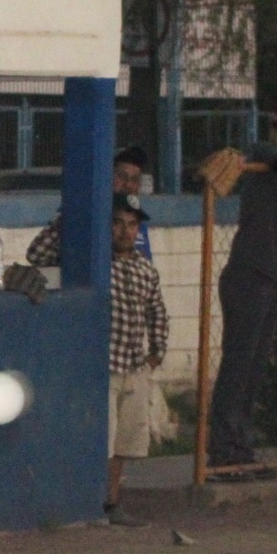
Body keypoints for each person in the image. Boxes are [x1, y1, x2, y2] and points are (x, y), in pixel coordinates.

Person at [204, 148, 277, 475]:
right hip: (249, 274)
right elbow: (258, 150)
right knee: (239, 363)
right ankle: (223, 448)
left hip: (270, 275)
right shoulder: (265, 164)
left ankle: (239, 446)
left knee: (253, 367)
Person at [103, 194, 168, 526]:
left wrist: (156, 352)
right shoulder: (98, 264)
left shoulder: (145, 269)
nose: (125, 231)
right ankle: (95, 502)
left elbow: (157, 312)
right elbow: (38, 252)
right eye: (117, 222)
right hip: (106, 364)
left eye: (131, 224)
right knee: (105, 438)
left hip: (134, 364)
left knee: (125, 439)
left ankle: (112, 502)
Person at [27, 146, 153, 267]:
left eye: (135, 179)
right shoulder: (83, 216)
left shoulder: (137, 220)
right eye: (121, 176)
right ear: (106, 177)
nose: (128, 185)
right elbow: (37, 255)